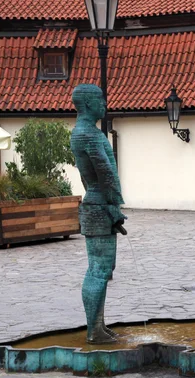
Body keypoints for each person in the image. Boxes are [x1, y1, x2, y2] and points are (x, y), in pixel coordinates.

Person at [71, 84, 127, 344]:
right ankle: (94, 330)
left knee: (102, 268)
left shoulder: (82, 133)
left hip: (95, 203)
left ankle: (99, 326)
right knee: (98, 269)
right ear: (87, 104)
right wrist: (114, 205)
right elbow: (105, 173)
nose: (104, 104)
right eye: (100, 100)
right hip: (99, 205)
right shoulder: (89, 136)